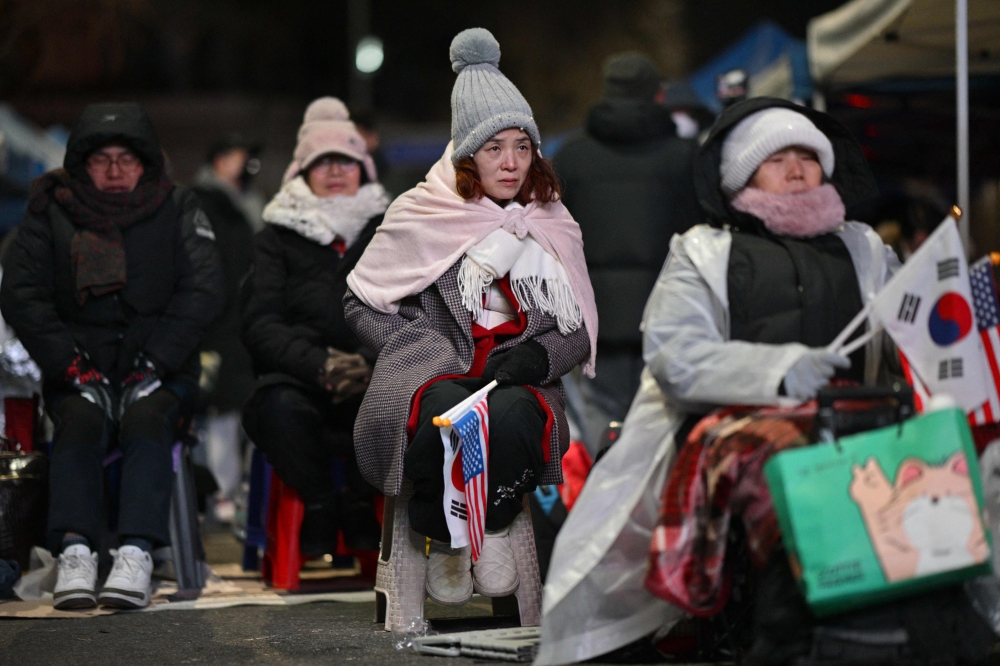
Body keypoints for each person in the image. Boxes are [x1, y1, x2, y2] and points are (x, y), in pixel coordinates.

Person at [536, 98, 900, 665]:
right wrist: (777, 372)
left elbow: (911, 327)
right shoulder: (705, 251)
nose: (798, 167)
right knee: (791, 482)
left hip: (861, 421)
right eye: (779, 157)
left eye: (809, 154)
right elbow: (675, 355)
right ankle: (786, 640)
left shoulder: (866, 249)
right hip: (731, 429)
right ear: (741, 172)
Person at [344, 28, 597, 605]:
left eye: (522, 147)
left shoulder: (552, 218)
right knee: (449, 419)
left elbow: (580, 325)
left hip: (517, 375)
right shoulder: (424, 212)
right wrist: (418, 347)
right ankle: (451, 537)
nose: (510, 164)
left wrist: (539, 356)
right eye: (494, 149)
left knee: (507, 418)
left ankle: (493, 527)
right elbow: (359, 299)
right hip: (434, 372)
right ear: (466, 154)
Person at [0, 103, 225, 610]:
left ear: (147, 162)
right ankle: (76, 549)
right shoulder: (50, 207)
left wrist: (157, 363)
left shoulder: (178, 205)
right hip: (78, 366)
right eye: (103, 159)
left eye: (128, 158)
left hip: (162, 367)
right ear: (82, 163)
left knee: (148, 422)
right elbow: (21, 292)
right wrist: (70, 364)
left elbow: (205, 289)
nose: (116, 169)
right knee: (78, 422)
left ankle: (136, 551)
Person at [241, 97, 388, 557]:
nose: (335, 170)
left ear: (363, 167)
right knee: (275, 408)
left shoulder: (392, 229)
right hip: (301, 381)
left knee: (405, 404)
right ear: (301, 173)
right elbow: (261, 323)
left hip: (374, 379)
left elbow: (416, 314)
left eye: (345, 159)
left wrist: (367, 364)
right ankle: (322, 504)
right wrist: (321, 365)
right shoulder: (275, 238)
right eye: (322, 162)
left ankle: (362, 502)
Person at [553, 52, 700, 451]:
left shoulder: (571, 156)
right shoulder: (685, 157)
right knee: (666, 432)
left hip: (598, 323)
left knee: (608, 429)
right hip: (670, 320)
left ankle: (609, 508)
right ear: (658, 97)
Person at [191, 134, 262, 520]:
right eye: (239, 155)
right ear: (220, 160)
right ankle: (219, 493)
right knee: (217, 411)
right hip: (217, 323)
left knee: (238, 409)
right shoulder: (205, 202)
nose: (247, 163)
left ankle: (233, 493)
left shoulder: (244, 202)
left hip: (242, 321)